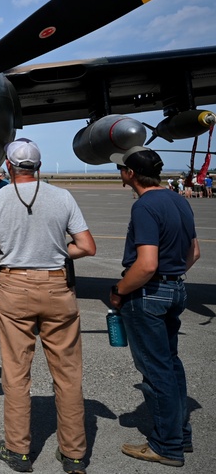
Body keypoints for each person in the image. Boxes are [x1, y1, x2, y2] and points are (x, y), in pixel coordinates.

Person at [0, 139, 96, 473]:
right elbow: (87, 246)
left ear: (7, 165)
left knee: (16, 372)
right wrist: (58, 252)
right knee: (68, 374)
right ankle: (74, 454)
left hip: (13, 286)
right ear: (39, 166)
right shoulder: (62, 196)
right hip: (57, 285)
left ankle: (18, 451)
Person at [109, 146, 201, 468]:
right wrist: (172, 276)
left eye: (121, 168)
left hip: (148, 295)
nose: (119, 172)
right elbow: (195, 252)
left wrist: (119, 291)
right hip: (175, 289)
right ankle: (181, 435)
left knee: (155, 370)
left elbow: (146, 264)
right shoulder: (179, 200)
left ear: (131, 174)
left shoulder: (145, 206)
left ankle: (166, 445)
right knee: (171, 364)